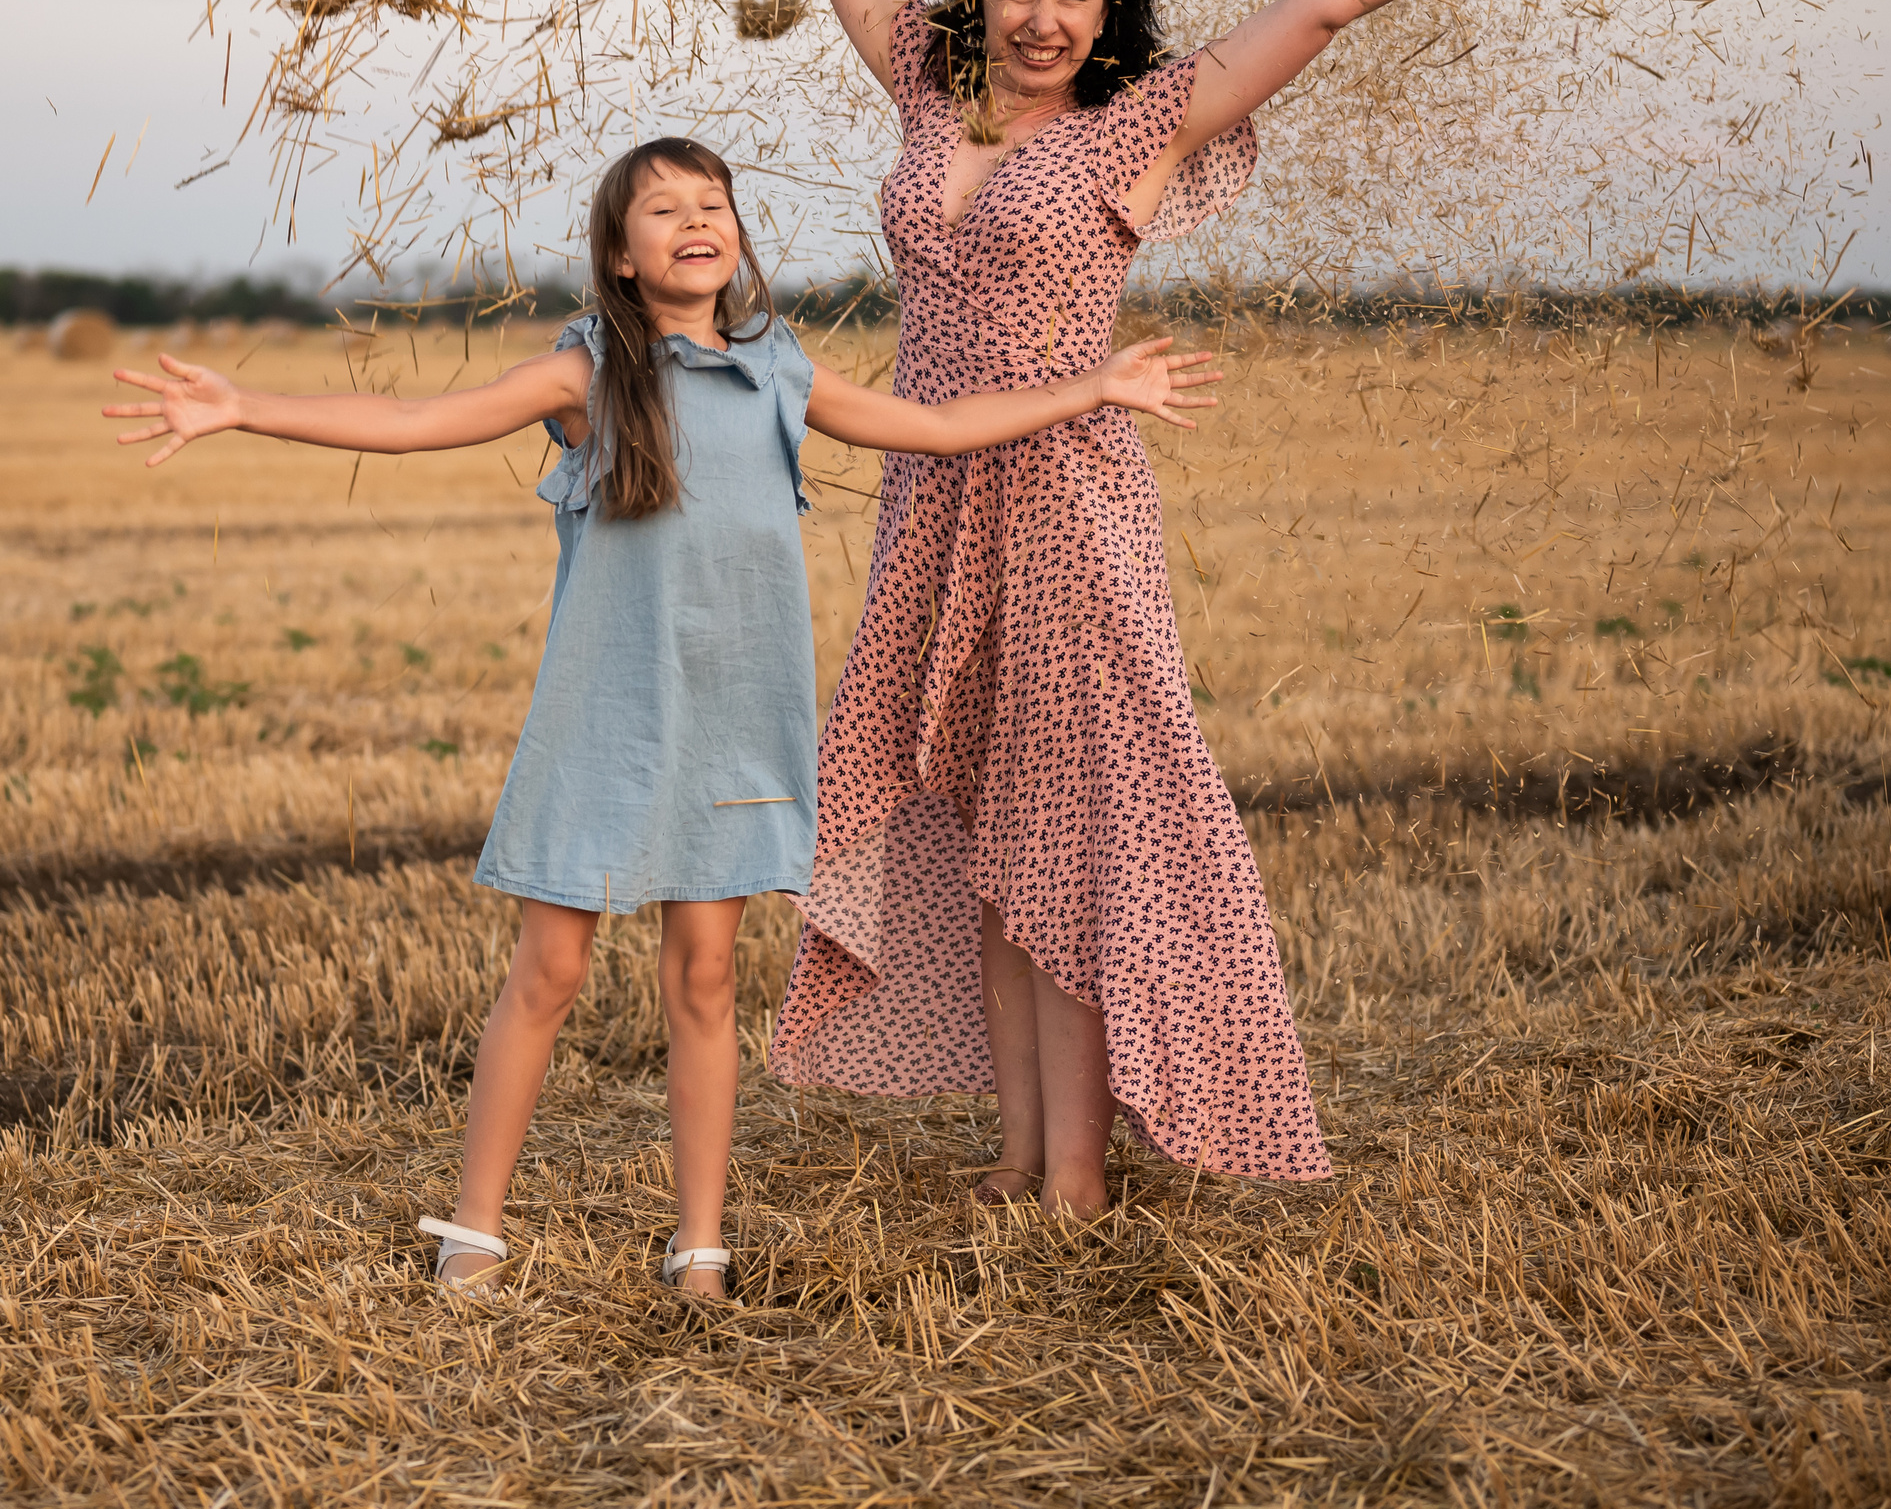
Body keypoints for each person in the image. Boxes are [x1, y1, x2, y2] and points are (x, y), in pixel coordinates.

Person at [667, 0, 1668, 1217]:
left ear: (1105, 13)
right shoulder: (924, 82)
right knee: (986, 824)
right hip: (933, 496)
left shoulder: (1138, 126)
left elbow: (1325, 5)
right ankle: (1021, 1155)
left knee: (1074, 833)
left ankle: (1077, 1175)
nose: (1042, 17)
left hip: (1068, 503)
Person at [102, 137, 1223, 1293]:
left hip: (735, 726)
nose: (695, 220)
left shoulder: (776, 366)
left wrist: (1093, 388)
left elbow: (930, 427)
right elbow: (416, 417)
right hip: (606, 724)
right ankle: (474, 1226)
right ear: (622, 257)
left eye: (713, 203)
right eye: (663, 209)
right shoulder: (585, 373)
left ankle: (700, 1242)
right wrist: (243, 407)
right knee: (548, 971)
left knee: (705, 980)